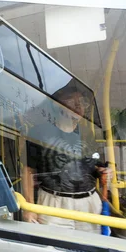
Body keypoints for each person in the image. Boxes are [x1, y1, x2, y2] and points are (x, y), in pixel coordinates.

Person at [22, 82, 111, 233]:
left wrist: (104, 171)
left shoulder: (88, 133)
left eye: (82, 102)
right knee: (56, 250)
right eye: (72, 100)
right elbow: (27, 171)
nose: (78, 106)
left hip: (89, 203)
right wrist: (29, 207)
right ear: (58, 105)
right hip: (54, 203)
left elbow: (93, 165)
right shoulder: (39, 133)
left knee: (91, 249)